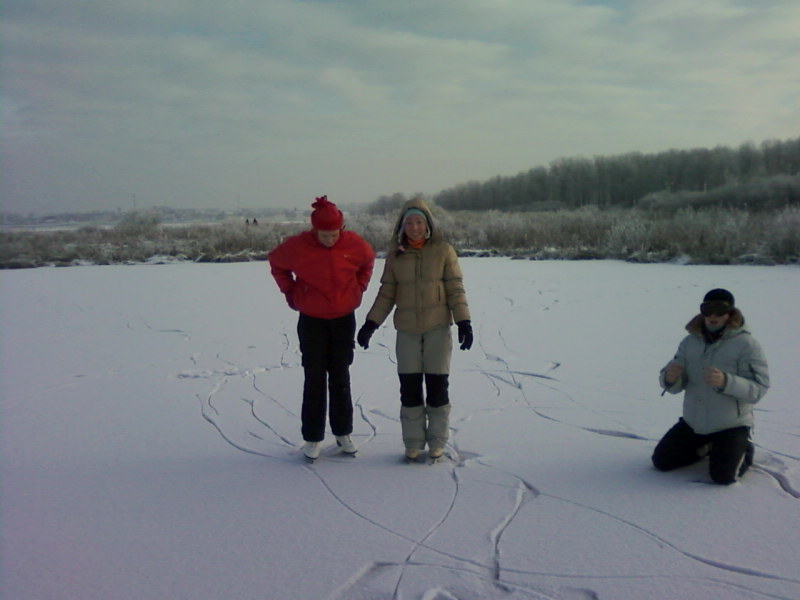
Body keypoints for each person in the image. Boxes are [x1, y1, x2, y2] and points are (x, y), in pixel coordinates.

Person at [357, 198, 472, 461]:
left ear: (427, 224)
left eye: (419, 222)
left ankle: (437, 441)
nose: (415, 227)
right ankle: (413, 442)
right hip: (407, 331)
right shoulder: (396, 255)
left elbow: (455, 289)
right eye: (409, 222)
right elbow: (387, 293)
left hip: (437, 329)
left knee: (437, 387)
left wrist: (464, 322)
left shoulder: (443, 251)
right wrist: (370, 323)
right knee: (409, 388)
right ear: (402, 226)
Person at [268, 196, 375, 460]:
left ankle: (343, 432)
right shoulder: (298, 246)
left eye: (334, 234)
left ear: (342, 228)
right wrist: (291, 293)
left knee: (340, 376)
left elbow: (368, 262)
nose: (329, 240)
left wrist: (359, 288)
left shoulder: (354, 244)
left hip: (343, 320)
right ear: (314, 230)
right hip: (312, 320)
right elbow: (277, 264)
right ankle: (312, 437)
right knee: (314, 377)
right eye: (324, 235)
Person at [652, 288, 769, 485]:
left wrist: (726, 382)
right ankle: (707, 447)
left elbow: (759, 389)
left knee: (724, 477)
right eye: (707, 310)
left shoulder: (747, 345)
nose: (713, 316)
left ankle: (744, 447)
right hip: (694, 423)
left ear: (730, 313)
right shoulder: (690, 342)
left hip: (731, 425)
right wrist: (670, 378)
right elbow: (674, 385)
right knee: (662, 461)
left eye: (720, 311)